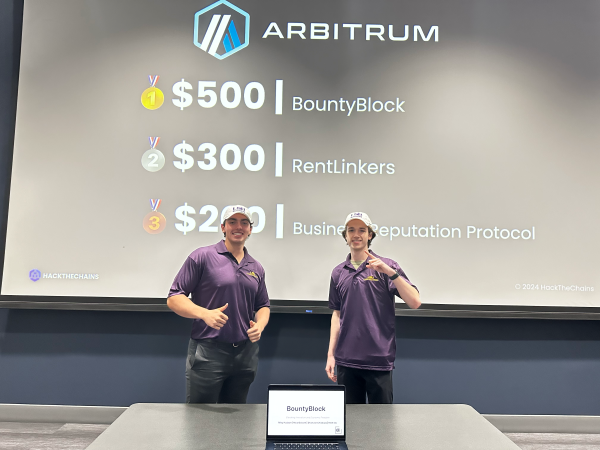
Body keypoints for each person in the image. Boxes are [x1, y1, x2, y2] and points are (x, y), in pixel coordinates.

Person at [167, 205, 270, 403]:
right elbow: (174, 298)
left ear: (250, 229)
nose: (238, 227)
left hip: (245, 354)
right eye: (232, 222)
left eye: (244, 222)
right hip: (208, 352)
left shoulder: (256, 267)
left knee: (236, 421)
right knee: (201, 420)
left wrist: (260, 325)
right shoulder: (202, 257)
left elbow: (263, 305)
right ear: (223, 227)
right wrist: (204, 313)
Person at [325, 212, 420, 404]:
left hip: (379, 361)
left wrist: (390, 272)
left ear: (370, 235)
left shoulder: (387, 267)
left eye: (362, 230)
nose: (356, 235)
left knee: (382, 426)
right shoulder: (338, 272)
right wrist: (330, 355)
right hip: (347, 361)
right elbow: (337, 315)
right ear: (346, 236)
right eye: (351, 230)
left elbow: (415, 302)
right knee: (350, 425)